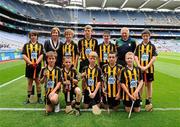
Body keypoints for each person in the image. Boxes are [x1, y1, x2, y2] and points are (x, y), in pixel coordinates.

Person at [134, 29, 158, 111]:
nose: (145, 37)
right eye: (144, 36)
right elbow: (136, 56)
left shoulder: (152, 46)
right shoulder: (139, 46)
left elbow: (154, 57)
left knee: (149, 84)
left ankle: (148, 100)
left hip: (149, 69)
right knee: (140, 84)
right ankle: (140, 99)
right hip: (140, 69)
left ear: (149, 36)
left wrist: (146, 66)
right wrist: (139, 66)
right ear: (142, 36)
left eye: (147, 36)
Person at [22, 31, 43, 104]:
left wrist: (36, 62)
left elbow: (41, 55)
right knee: (30, 82)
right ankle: (28, 98)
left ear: (37, 37)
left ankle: (39, 98)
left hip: (37, 67)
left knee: (38, 82)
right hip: (29, 66)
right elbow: (24, 55)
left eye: (34, 35)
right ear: (29, 37)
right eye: (31, 35)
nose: (33, 37)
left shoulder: (40, 45)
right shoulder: (26, 45)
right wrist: (30, 63)